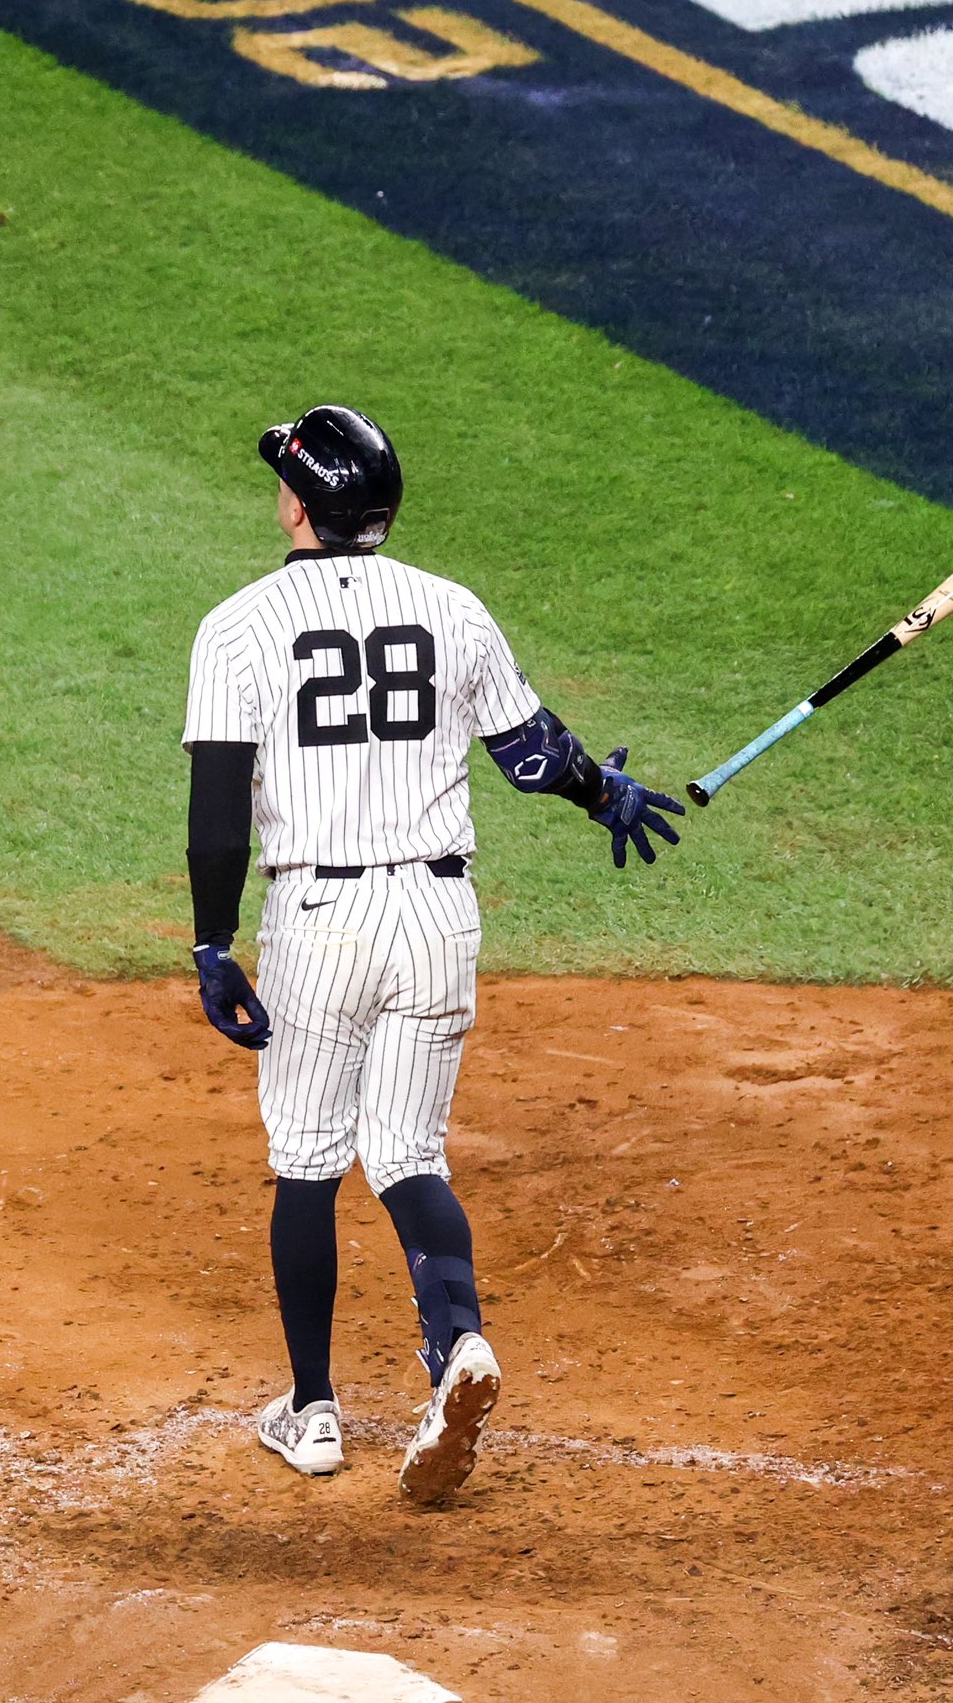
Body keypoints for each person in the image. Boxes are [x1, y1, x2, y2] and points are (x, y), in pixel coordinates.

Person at [181, 404, 682, 1504]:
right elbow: (532, 753)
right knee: (408, 1152)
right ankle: (458, 1343)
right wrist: (605, 791)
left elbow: (218, 819)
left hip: (318, 920)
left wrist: (213, 943)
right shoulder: (451, 607)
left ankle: (313, 1412)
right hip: (437, 916)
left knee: (307, 1160)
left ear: (299, 506)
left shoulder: (237, 626)